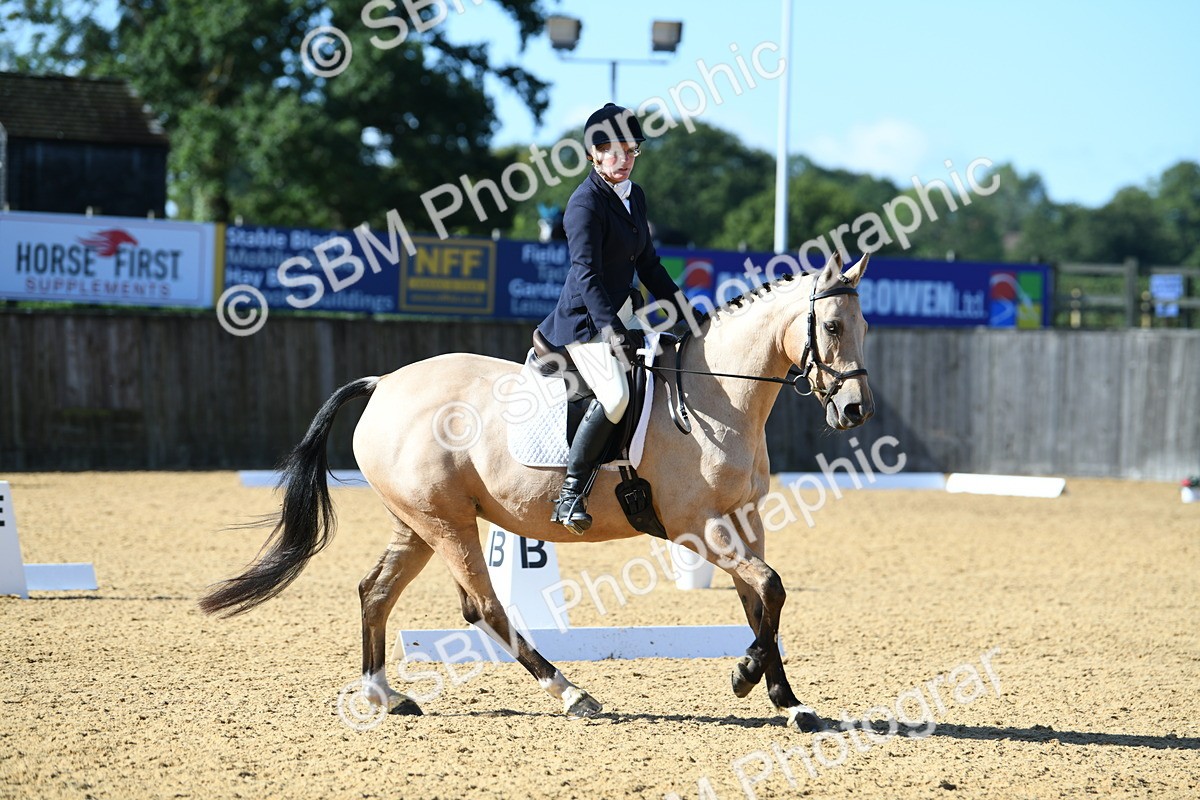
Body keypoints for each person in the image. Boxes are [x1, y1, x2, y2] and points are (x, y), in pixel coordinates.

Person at [537, 103, 687, 534]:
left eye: (631, 150)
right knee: (616, 395)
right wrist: (610, 329)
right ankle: (570, 493)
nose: (623, 159)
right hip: (583, 323)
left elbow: (651, 266)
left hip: (621, 312)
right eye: (613, 151)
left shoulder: (634, 196)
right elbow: (585, 274)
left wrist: (685, 311)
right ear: (593, 155)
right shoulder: (584, 204)